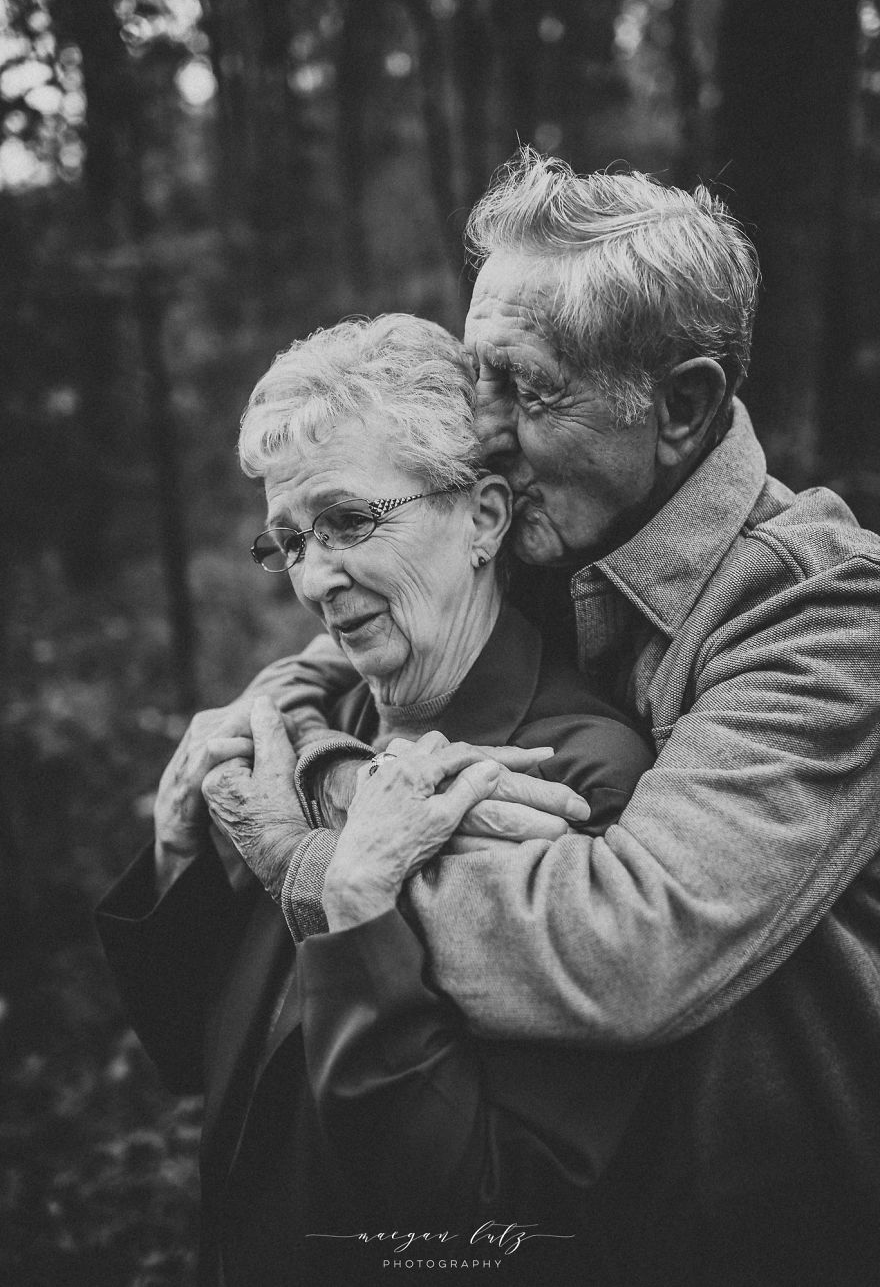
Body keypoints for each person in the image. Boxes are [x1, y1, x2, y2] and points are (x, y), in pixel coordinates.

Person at [214, 152, 880, 1285]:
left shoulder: (828, 610)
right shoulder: (556, 526)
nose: (485, 430)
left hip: (782, 1203)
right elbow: (341, 642)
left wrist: (314, 863)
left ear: (681, 405)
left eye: (525, 390)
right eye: (479, 379)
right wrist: (273, 721)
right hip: (619, 1198)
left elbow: (629, 945)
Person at [96, 314, 655, 1287]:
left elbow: (501, 1211)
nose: (312, 577)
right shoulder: (314, 724)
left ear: (483, 515)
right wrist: (179, 850)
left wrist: (357, 915)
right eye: (287, 542)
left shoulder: (574, 778)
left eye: (349, 522)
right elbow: (200, 1059)